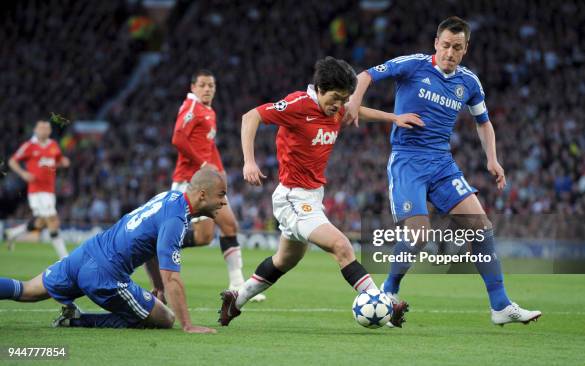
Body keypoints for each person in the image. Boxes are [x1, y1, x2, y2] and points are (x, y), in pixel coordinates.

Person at [345, 16, 541, 326]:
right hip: (408, 160)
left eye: (457, 47)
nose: (450, 52)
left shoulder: (469, 83)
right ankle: (389, 292)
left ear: (466, 49)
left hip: (442, 163)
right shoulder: (413, 65)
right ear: (436, 43)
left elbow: (483, 122)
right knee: (419, 234)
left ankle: (501, 305)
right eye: (446, 45)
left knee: (480, 225)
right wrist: (355, 101)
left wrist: (492, 158)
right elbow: (366, 75)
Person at [218, 56, 423, 327]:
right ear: (320, 89)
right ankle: (381, 303)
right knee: (342, 246)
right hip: (293, 197)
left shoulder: (335, 107)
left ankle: (236, 300)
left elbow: (355, 110)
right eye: (335, 98)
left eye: (344, 98)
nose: (339, 105)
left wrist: (394, 117)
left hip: (313, 197)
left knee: (284, 260)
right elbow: (251, 116)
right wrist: (249, 160)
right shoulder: (297, 104)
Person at [0, 166, 225, 333]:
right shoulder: (176, 219)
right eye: (221, 194)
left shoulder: (170, 196)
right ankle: (77, 320)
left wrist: (156, 286)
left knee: (26, 290)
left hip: (85, 253)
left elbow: (155, 248)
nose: (224, 202)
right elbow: (172, 278)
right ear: (203, 194)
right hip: (105, 275)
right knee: (166, 319)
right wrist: (188, 324)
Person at [170, 69, 264, 302]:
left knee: (229, 226)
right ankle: (156, 244)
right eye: (202, 85)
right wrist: (203, 164)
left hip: (208, 181)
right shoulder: (191, 108)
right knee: (202, 237)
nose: (207, 89)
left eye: (211, 85)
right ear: (192, 87)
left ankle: (238, 285)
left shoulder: (208, 111)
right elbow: (178, 138)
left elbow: (209, 146)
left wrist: (219, 170)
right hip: (188, 182)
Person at [4, 120, 70, 258]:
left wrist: (63, 162)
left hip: (50, 190)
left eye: (46, 128)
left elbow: (56, 161)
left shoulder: (53, 145)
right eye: (41, 128)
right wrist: (23, 173)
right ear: (35, 130)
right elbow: (12, 161)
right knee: (52, 220)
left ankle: (13, 233)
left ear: (50, 131)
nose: (44, 130)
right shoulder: (29, 146)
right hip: (36, 191)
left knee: (40, 222)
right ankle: (65, 259)